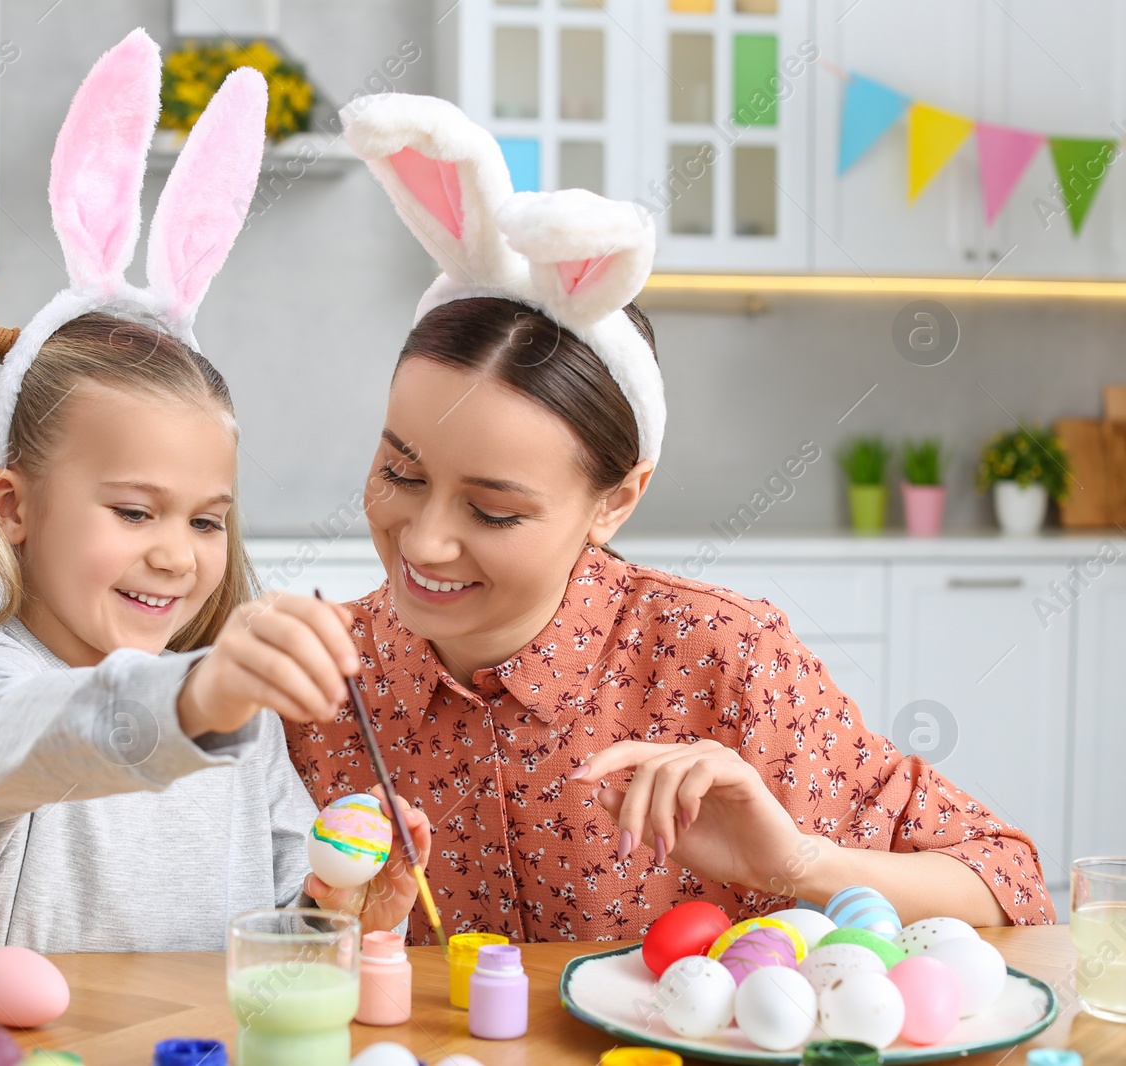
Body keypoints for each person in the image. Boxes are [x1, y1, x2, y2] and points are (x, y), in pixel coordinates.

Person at [286, 92, 1050, 944]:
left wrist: (794, 864)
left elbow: (1010, 882)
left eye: (494, 510)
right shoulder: (321, 683)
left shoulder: (725, 660)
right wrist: (325, 922)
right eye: (399, 471)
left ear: (617, 500)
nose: (424, 541)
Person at [0, 31, 427, 955]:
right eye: (134, 511)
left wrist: (337, 899)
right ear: (11, 507)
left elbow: (278, 937)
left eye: (207, 519)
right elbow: (54, 734)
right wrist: (201, 693)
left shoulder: (232, 720)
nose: (178, 553)